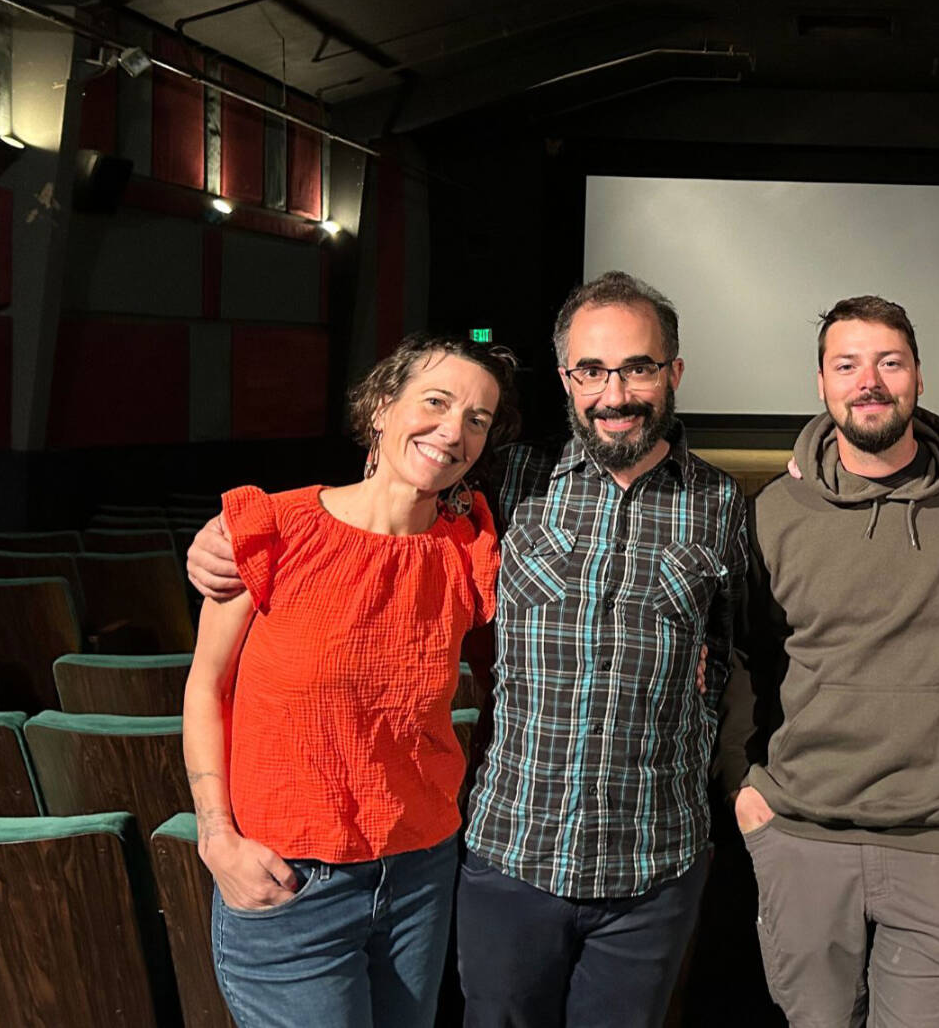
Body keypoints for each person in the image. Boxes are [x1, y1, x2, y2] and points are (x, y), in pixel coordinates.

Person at [189, 272, 746, 1028]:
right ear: (567, 380)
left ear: (672, 373)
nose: (615, 392)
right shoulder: (513, 486)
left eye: (639, 367)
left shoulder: (715, 508)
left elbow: (731, 655)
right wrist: (216, 835)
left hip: (610, 862)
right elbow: (213, 680)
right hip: (480, 860)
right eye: (592, 370)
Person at [182, 333, 519, 1028]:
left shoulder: (468, 549)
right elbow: (207, 687)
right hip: (290, 883)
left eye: (477, 420)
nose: (453, 430)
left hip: (419, 876)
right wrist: (216, 836)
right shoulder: (272, 529)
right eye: (436, 401)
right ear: (380, 407)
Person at [720, 295, 939, 1027]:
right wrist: (742, 787)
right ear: (821, 382)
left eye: (889, 362)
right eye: (847, 365)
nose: (868, 381)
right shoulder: (774, 510)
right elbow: (742, 656)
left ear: (918, 376)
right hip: (802, 834)